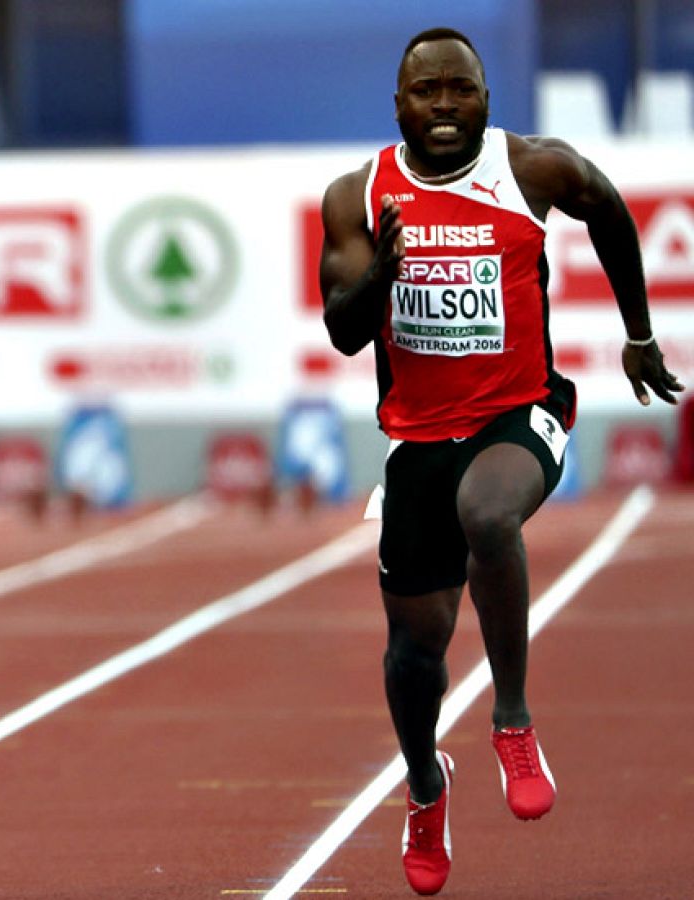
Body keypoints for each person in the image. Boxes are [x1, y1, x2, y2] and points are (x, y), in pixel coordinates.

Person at [319, 27, 683, 895]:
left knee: (489, 514)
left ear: (487, 98)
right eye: (427, 92)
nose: (445, 105)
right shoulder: (359, 195)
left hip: (523, 411)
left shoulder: (534, 171)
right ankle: (424, 784)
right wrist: (385, 273)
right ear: (398, 104)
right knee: (416, 651)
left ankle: (512, 721)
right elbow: (341, 330)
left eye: (461, 89)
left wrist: (637, 334)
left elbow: (609, 210)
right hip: (418, 436)